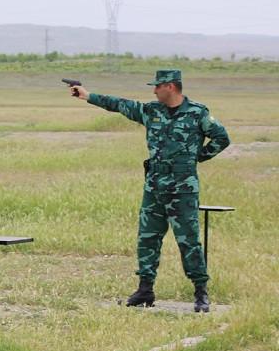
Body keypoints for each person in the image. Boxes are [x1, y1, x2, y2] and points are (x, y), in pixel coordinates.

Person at [69, 70, 230, 312]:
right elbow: (120, 104)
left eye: (158, 87)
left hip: (183, 191)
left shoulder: (197, 113)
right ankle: (145, 290)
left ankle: (200, 291)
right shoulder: (151, 111)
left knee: (189, 242)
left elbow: (221, 138)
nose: (154, 91)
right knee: (147, 239)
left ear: (171, 87)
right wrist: (87, 95)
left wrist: (195, 159)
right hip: (154, 187)